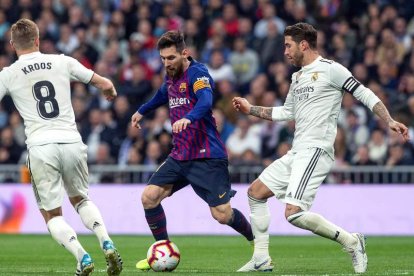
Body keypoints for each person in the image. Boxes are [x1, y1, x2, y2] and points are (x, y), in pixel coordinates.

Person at [233, 22, 409, 273]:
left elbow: (364, 93)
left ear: (303, 44)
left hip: (316, 150)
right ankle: (261, 257)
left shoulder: (331, 69)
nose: (285, 51)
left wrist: (389, 120)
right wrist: (251, 109)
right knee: (255, 193)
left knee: (293, 213)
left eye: (288, 45)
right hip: (297, 151)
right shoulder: (297, 77)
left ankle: (351, 241)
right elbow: (287, 112)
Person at [0, 19, 123, 276]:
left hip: (41, 147)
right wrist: (110, 91)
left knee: (52, 214)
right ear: (37, 40)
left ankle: (82, 256)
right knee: (81, 199)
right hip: (71, 142)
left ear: (12, 45)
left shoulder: (8, 74)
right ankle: (105, 240)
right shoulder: (62, 61)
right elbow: (103, 83)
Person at [131, 31, 254, 271]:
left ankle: (257, 244)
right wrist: (142, 110)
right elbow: (162, 95)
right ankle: (162, 250)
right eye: (163, 58)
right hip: (180, 156)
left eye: (171, 58)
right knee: (149, 197)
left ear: (184, 53)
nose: (167, 63)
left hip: (207, 156)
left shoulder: (199, 74)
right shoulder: (170, 77)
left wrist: (188, 118)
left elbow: (206, 102)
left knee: (222, 215)